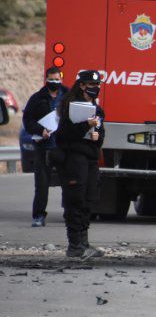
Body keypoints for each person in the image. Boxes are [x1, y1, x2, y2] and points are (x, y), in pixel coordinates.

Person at [55, 70, 105, 259]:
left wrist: (97, 136)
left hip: (91, 158)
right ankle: (75, 244)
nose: (95, 88)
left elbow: (101, 133)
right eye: (91, 85)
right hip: (74, 158)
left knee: (88, 200)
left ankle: (84, 241)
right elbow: (64, 135)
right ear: (82, 85)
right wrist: (86, 125)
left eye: (97, 85)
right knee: (75, 199)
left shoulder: (98, 110)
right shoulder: (69, 107)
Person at [22, 66, 68, 227]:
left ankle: (70, 215)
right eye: (51, 79)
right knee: (41, 184)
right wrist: (40, 131)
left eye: (57, 79)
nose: (54, 82)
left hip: (63, 147)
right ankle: (39, 216)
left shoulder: (68, 96)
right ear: (46, 79)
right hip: (43, 147)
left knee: (69, 182)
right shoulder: (37, 98)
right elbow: (27, 120)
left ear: (61, 79)